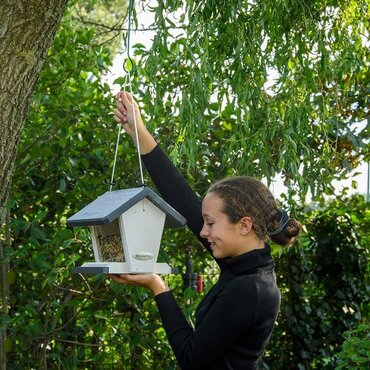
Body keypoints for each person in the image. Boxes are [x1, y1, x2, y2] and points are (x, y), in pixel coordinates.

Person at [109, 91, 301, 370]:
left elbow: (190, 358)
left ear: (244, 225)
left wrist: (157, 286)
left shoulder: (250, 288)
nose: (203, 232)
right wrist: (138, 132)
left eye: (211, 223)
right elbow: (184, 201)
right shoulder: (243, 264)